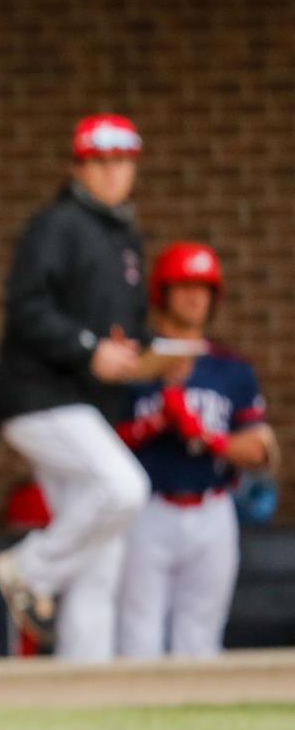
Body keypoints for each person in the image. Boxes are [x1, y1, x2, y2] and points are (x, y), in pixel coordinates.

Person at [0, 114, 164, 661]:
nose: (113, 174)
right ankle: (28, 569)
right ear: (77, 167)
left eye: (122, 161)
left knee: (99, 562)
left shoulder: (124, 236)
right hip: (40, 398)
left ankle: (86, 690)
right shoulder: (56, 225)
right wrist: (91, 350)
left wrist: (151, 356)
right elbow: (27, 309)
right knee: (125, 489)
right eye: (100, 162)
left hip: (87, 406)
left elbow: (126, 326)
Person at [115, 243, 275, 658]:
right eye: (183, 286)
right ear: (161, 293)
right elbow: (107, 443)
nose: (193, 297)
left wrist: (205, 436)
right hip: (147, 509)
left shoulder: (231, 367)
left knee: (200, 636)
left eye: (203, 288)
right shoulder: (135, 363)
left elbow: (259, 450)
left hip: (212, 510)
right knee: (138, 633)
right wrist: (154, 423)